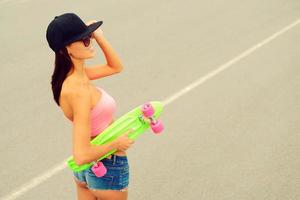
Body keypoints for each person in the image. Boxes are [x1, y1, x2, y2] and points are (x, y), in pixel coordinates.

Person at [46, 13, 134, 200]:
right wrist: (116, 143)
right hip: (107, 167)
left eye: (89, 36)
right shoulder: (78, 91)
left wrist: (99, 36)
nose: (90, 41)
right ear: (66, 49)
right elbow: (81, 155)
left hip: (89, 171)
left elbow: (115, 67)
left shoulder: (75, 77)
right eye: (84, 39)